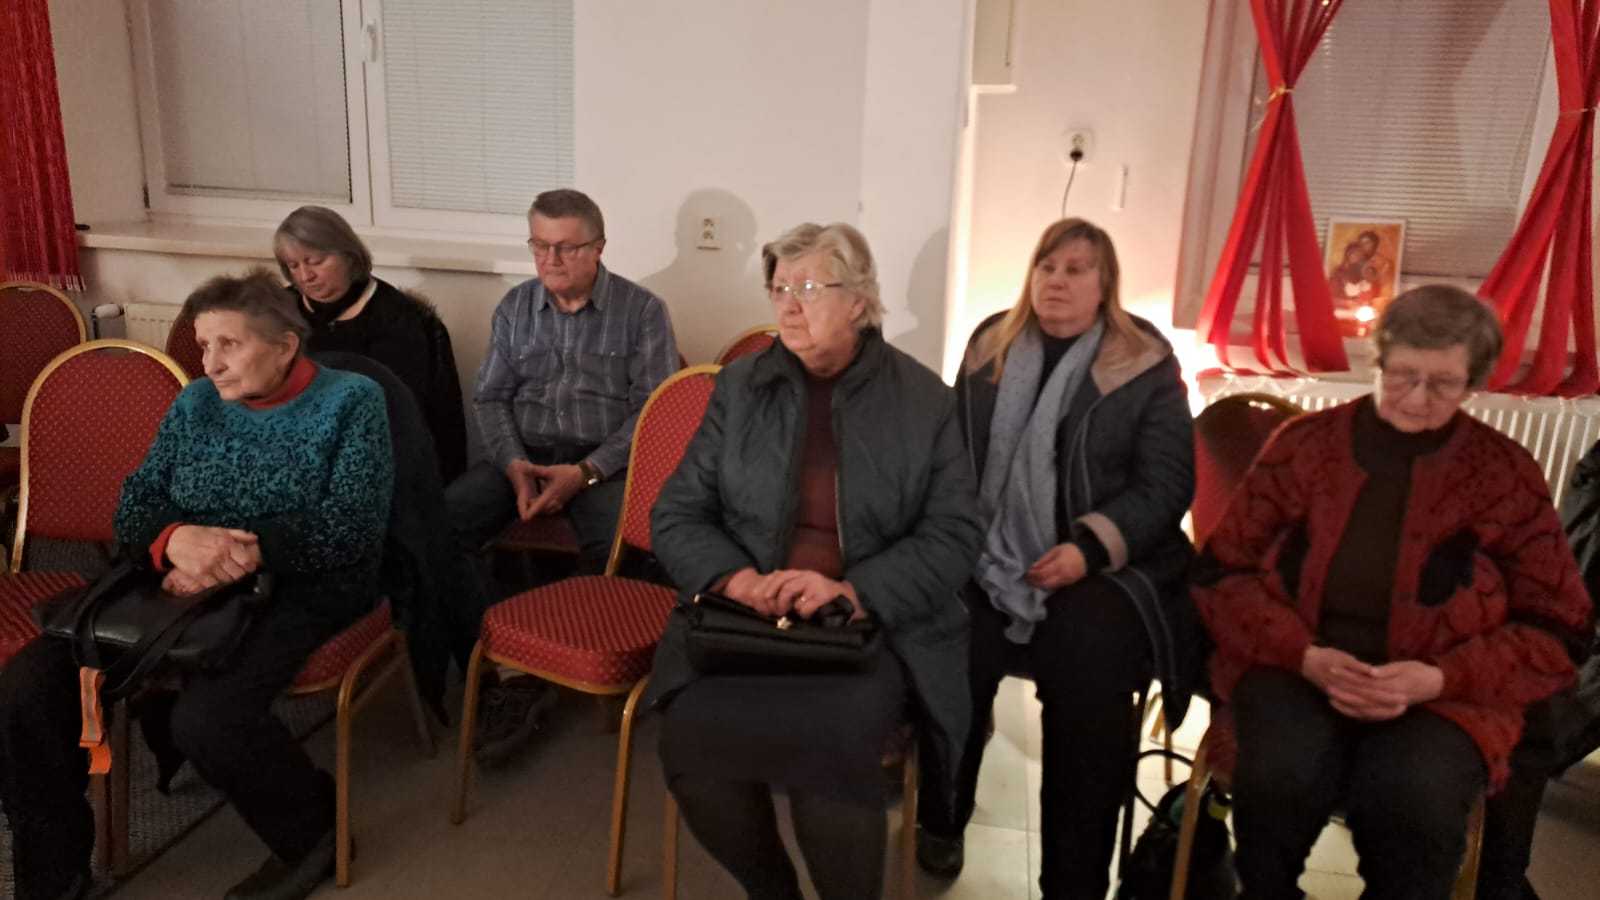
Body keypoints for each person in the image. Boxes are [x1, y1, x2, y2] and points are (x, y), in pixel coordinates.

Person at [0, 270, 393, 900]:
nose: (209, 364)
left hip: (301, 583)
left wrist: (239, 550)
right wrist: (174, 541)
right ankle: (53, 877)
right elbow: (133, 507)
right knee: (27, 689)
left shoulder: (352, 402)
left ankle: (314, 833)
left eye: (229, 344)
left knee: (209, 720)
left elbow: (350, 527)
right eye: (205, 345)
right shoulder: (196, 403)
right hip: (170, 579)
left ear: (285, 345)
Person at [1192, 284, 1594, 900]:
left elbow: (1559, 624)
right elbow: (1223, 573)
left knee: (1414, 802)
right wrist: (1304, 655)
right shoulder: (1304, 447)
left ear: (1472, 384)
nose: (1417, 397)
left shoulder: (1504, 472)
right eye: (1403, 375)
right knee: (1277, 779)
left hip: (1445, 693)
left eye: (1443, 383)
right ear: (1378, 361)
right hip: (1297, 669)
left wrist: (1439, 678)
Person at [643, 222, 982, 900]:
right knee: (691, 744)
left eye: (806, 287)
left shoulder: (925, 401)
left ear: (858, 300)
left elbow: (954, 535)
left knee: (830, 755)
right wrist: (739, 580)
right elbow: (676, 513)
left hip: (865, 630)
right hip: (744, 622)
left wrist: (855, 592)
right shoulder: (741, 388)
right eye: (778, 289)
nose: (788, 306)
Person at [915, 218, 1198, 899]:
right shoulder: (991, 345)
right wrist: (955, 538)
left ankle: (1073, 879)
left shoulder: (1142, 363)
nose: (1057, 282)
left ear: (1105, 285)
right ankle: (942, 817)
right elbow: (952, 456)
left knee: (1087, 684)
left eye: (1076, 269)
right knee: (951, 651)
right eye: (1047, 267)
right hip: (991, 551)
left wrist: (1088, 548)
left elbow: (1167, 484)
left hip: (1100, 566)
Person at [447, 188, 679, 758]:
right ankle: (511, 672)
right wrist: (513, 466)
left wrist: (586, 472)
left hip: (603, 461)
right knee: (442, 527)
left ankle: (587, 668)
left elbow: (652, 413)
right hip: (521, 455)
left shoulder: (642, 312)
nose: (550, 260)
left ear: (598, 247)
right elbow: (491, 398)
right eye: (539, 245)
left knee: (627, 547)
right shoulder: (515, 307)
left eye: (566, 248)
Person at [274, 205, 469, 483]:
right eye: (294, 266)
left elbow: (399, 415)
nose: (306, 276)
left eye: (315, 261)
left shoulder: (398, 318)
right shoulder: (278, 311)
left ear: (348, 255)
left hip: (377, 457)